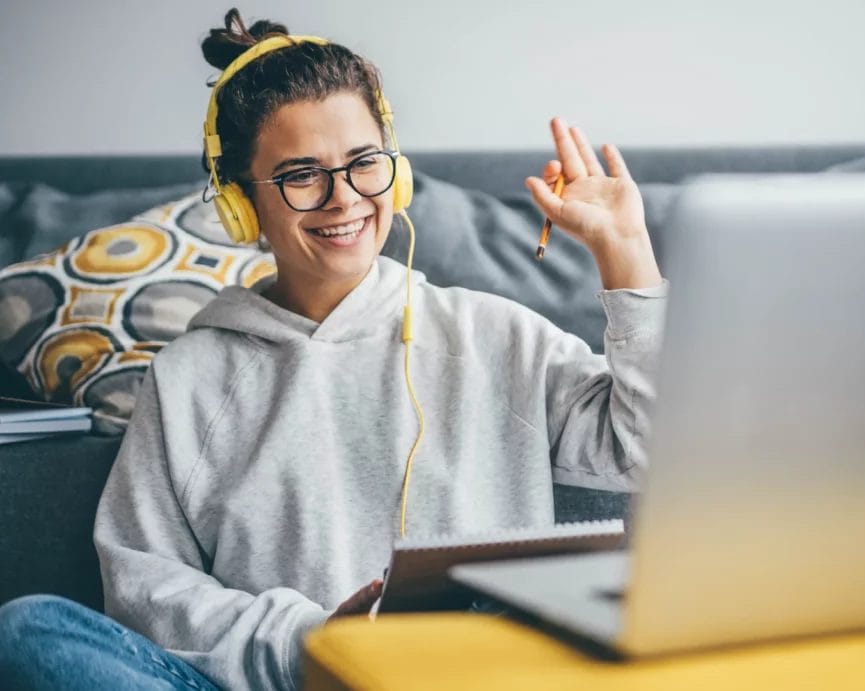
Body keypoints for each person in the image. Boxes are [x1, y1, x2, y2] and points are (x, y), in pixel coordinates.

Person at [0, 8, 666, 691]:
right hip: (290, 681)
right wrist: (314, 641)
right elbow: (144, 588)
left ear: (396, 173)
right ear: (240, 204)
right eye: (301, 175)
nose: (343, 198)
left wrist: (626, 250)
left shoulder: (498, 335)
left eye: (363, 163)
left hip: (470, 678)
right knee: (28, 629)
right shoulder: (187, 379)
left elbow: (651, 450)